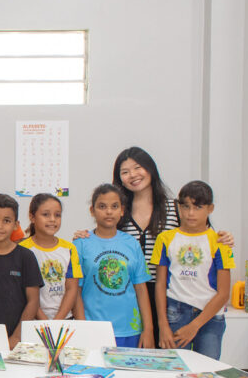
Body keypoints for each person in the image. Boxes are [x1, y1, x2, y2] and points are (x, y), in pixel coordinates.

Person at [73, 146, 234, 339]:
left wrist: (225, 238)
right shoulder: (118, 210)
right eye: (125, 172)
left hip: (168, 295)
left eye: (137, 167)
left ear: (150, 169)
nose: (132, 175)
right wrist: (83, 235)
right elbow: (105, 240)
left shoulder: (175, 207)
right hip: (129, 293)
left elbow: (202, 236)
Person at [152, 180, 233, 358]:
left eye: (198, 207)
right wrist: (163, 325)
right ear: (178, 207)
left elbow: (224, 293)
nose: (190, 213)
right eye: (186, 206)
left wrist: (194, 326)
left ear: (210, 209)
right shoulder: (165, 239)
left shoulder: (220, 242)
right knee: (175, 370)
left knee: (207, 373)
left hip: (210, 317)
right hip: (175, 312)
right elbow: (160, 284)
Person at [74, 184, 154, 348]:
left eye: (114, 206)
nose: (109, 211)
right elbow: (76, 291)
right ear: (92, 210)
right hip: (93, 329)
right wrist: (82, 327)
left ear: (122, 210)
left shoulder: (132, 243)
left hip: (129, 330)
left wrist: (149, 329)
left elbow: (141, 289)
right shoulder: (80, 244)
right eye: (102, 206)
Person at [0, 194, 41, 348]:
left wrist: (16, 337)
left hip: (18, 339)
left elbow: (33, 301)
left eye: (6, 221)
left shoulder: (26, 257)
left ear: (16, 225)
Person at [19, 194, 82, 320]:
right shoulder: (22, 249)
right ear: (32, 217)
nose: (52, 219)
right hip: (33, 319)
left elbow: (71, 289)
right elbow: (24, 291)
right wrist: (44, 321)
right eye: (46, 214)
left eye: (57, 215)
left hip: (64, 319)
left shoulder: (69, 249)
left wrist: (57, 320)